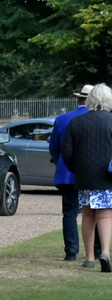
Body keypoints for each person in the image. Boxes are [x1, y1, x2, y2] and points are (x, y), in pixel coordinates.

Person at [61, 82, 112, 272]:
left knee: (88, 214)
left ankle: (89, 256)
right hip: (107, 176)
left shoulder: (77, 122)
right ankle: (105, 252)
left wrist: (76, 168)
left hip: (85, 175)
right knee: (105, 214)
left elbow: (67, 151)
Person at [48, 85, 91, 262]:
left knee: (70, 212)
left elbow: (54, 148)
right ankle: (95, 249)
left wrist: (59, 160)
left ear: (78, 99)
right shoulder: (100, 119)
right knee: (94, 212)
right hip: (91, 173)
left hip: (67, 173)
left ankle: (71, 251)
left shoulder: (62, 119)